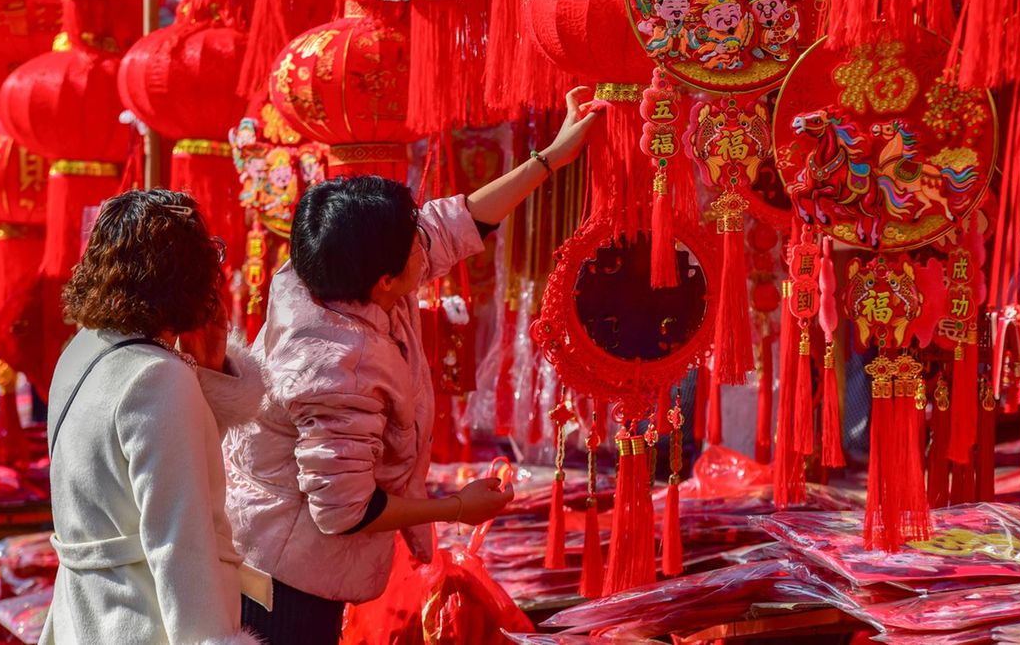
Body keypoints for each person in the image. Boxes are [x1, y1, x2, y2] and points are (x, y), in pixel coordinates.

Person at [225, 87, 602, 644]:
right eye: (412, 251)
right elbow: (344, 512)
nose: (424, 250)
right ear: (385, 281)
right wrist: (456, 508)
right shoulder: (333, 368)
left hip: (275, 543)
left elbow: (456, 223)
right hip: (285, 576)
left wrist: (551, 157)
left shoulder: (327, 270)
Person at [41, 190, 267, 645]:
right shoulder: (157, 377)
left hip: (88, 613)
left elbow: (158, 471)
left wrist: (208, 370)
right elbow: (179, 541)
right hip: (141, 621)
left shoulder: (83, 349)